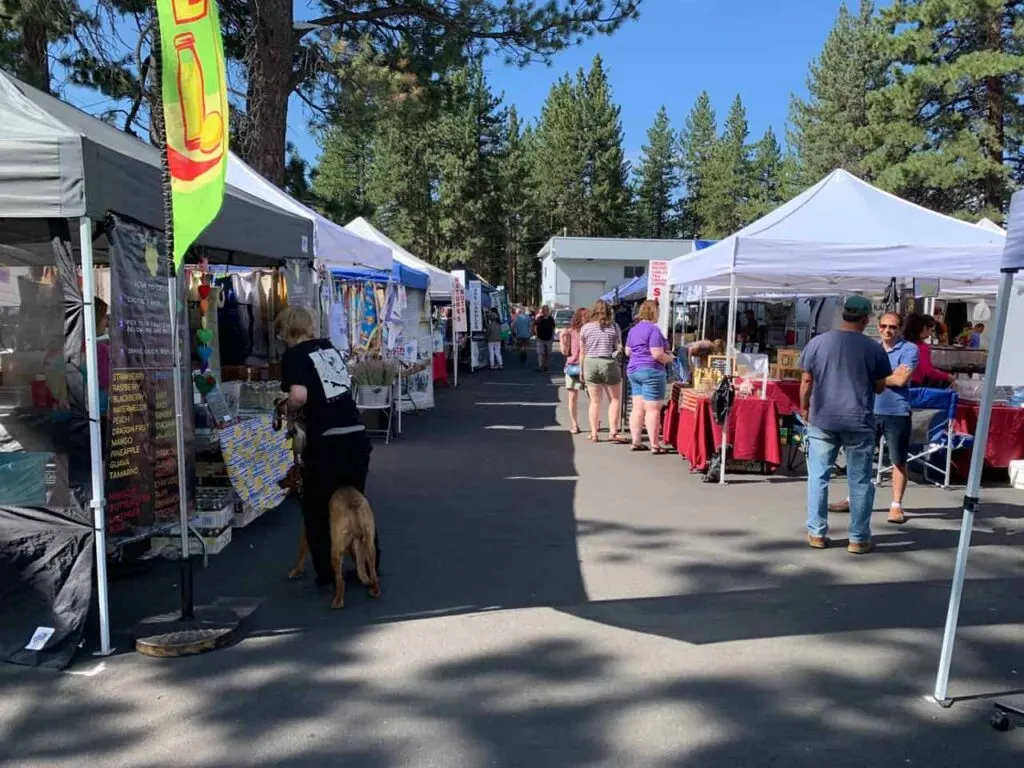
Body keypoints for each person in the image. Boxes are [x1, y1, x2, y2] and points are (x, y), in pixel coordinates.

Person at [277, 306, 378, 586]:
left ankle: (326, 570)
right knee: (357, 501)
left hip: (328, 440)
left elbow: (298, 396)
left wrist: (286, 407)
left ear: (287, 329)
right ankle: (370, 563)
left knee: (317, 505)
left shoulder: (295, 355)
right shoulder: (328, 349)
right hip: (356, 435)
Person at [798, 296, 892, 554]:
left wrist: (804, 407)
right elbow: (881, 386)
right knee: (860, 481)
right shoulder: (873, 349)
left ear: (844, 315)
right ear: (866, 319)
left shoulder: (818, 343)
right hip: (858, 420)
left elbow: (806, 380)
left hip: (823, 419)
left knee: (818, 477)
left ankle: (816, 533)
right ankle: (858, 538)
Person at [830, 312, 916, 525]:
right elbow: (862, 374)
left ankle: (896, 505)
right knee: (860, 457)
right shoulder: (871, 347)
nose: (889, 330)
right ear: (878, 327)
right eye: (885, 326)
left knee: (898, 460)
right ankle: (853, 498)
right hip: (868, 409)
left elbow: (902, 379)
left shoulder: (909, 349)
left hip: (897, 410)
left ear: (900, 329)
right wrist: (888, 377)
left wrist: (871, 376)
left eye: (893, 327)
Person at [625, 300, 675, 454]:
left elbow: (628, 352)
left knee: (637, 408)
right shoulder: (653, 330)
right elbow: (657, 354)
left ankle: (636, 441)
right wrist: (671, 358)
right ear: (654, 312)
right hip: (651, 371)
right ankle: (655, 444)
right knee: (653, 409)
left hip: (634, 370)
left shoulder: (634, 330)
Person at [580, 299, 627, 444]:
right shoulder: (614, 327)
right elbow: (619, 347)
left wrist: (581, 370)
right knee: (615, 399)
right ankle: (613, 431)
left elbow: (582, 351)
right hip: (608, 362)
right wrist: (614, 355)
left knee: (594, 401)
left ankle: (594, 433)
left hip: (590, 363)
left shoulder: (586, 328)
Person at [904, 314, 954, 387]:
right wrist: (948, 377)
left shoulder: (902, 344)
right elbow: (928, 371)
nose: (931, 334)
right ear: (924, 328)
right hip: (913, 385)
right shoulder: (922, 347)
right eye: (931, 330)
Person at [560, 307, 588, 434]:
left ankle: (594, 423)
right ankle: (574, 424)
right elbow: (565, 352)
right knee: (573, 397)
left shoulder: (589, 331)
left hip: (585, 367)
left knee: (593, 398)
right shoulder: (570, 332)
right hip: (573, 366)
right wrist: (562, 339)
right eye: (584, 316)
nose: (586, 319)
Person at [534, 305, 555, 372]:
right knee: (541, 353)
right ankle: (540, 366)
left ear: (548, 311)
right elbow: (535, 326)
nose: (545, 311)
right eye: (544, 310)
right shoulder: (540, 318)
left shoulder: (551, 319)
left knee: (547, 353)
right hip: (540, 339)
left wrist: (552, 336)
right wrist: (537, 335)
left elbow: (553, 328)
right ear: (542, 311)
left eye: (547, 310)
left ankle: (546, 365)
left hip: (549, 339)